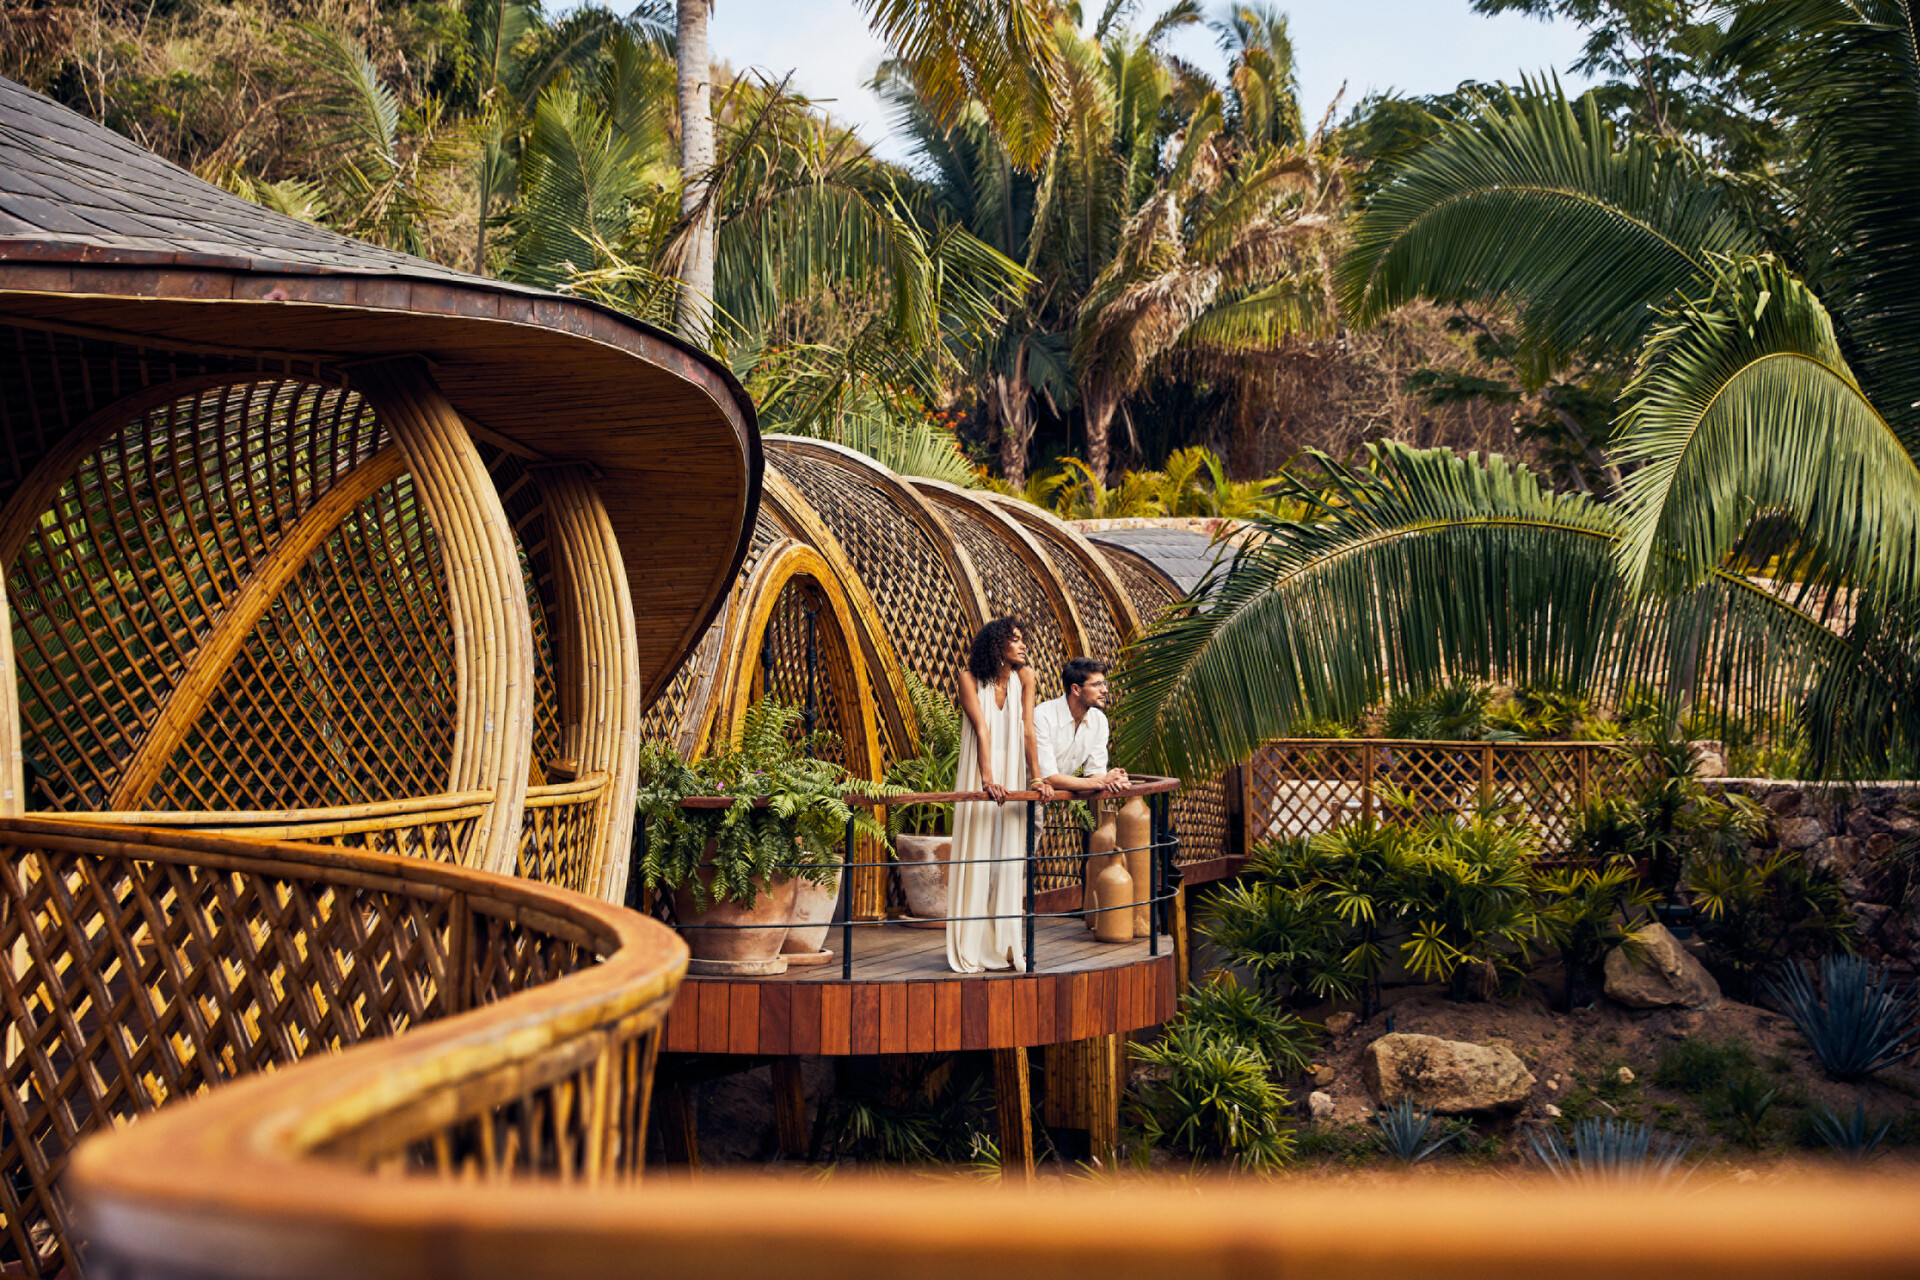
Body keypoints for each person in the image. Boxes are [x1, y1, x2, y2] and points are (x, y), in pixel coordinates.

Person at [947, 616, 1053, 974]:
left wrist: (1036, 778)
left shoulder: (1026, 677)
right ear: (997, 646)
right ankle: (971, 944)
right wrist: (987, 780)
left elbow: (1026, 731)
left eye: (1024, 639)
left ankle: (1005, 944)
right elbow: (982, 730)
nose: (1023, 645)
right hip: (983, 772)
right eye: (1016, 640)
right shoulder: (969, 680)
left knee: (1008, 858)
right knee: (977, 851)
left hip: (1013, 775)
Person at [1034, 657, 1130, 797]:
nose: (1105, 690)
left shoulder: (1099, 720)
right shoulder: (1043, 716)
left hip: (1047, 799)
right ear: (1076, 689)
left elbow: (1095, 772)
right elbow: (1048, 777)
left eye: (1104, 683)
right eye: (1097, 684)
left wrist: (1114, 779)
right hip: (1016, 794)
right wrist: (1102, 782)